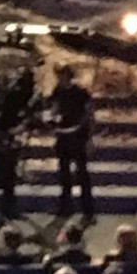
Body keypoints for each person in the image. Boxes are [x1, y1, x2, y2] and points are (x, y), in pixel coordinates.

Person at [48, 72, 96, 216]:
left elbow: (89, 114)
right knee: (64, 173)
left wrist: (89, 138)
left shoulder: (80, 92)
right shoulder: (58, 91)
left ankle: (87, 208)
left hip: (78, 136)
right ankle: (65, 207)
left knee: (82, 173)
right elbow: (54, 108)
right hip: (63, 136)